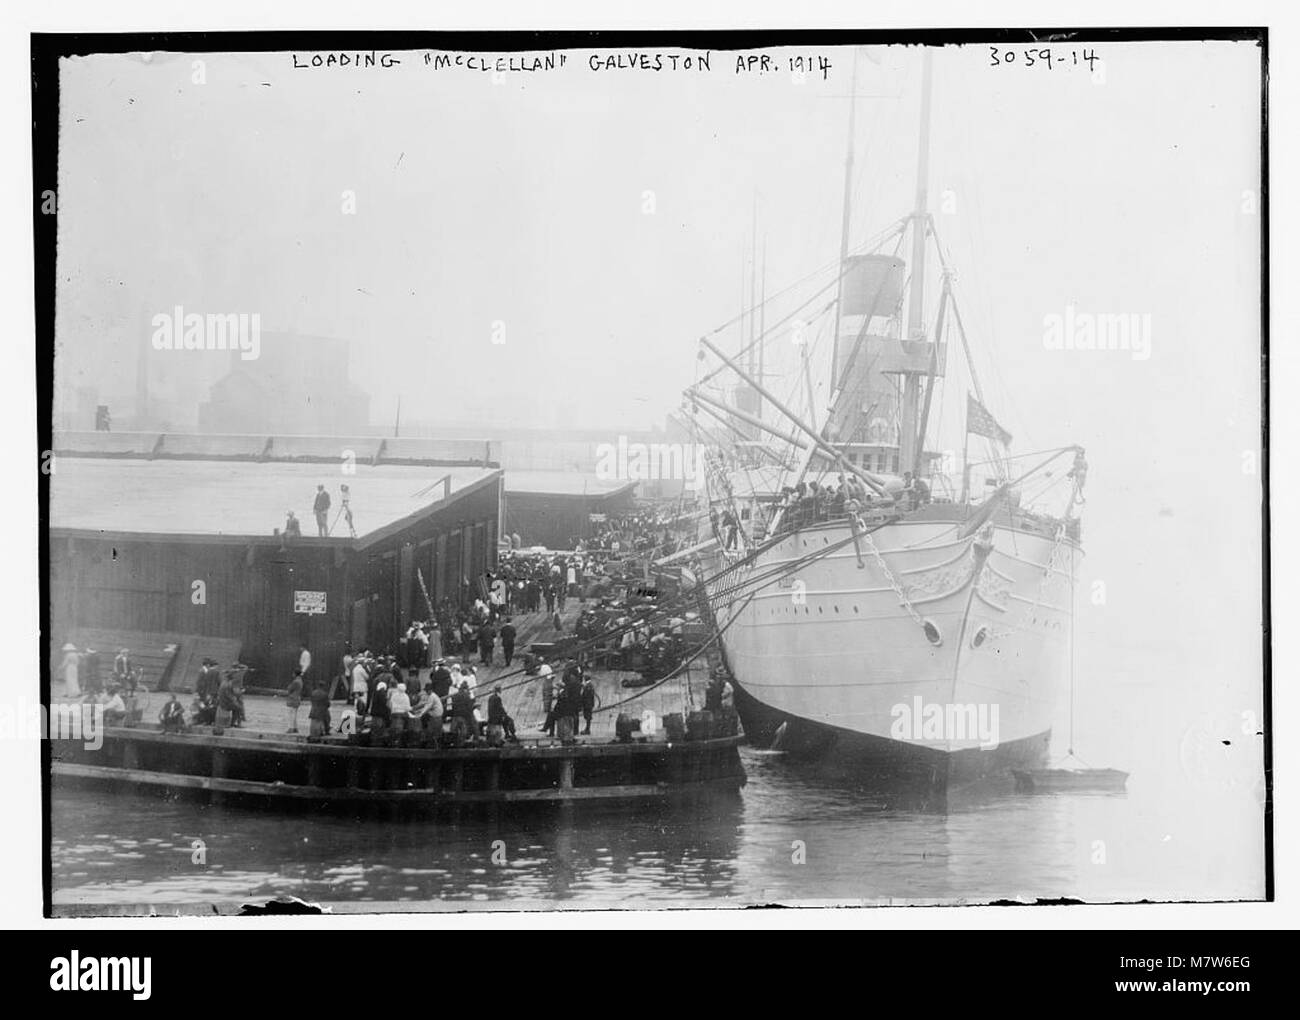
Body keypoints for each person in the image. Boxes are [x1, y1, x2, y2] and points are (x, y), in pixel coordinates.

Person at [538, 661, 555, 735]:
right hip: (549, 679)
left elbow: (541, 674)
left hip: (547, 680)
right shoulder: (547, 666)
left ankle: (546, 708)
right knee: (548, 694)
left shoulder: (543, 667)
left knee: (546, 695)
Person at [285, 668, 304, 734]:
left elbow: (289, 689)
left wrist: (288, 687)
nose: (292, 674)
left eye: (293, 673)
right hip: (297, 699)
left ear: (295, 674)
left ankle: (291, 728)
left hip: (292, 699)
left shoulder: (295, 682)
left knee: (291, 714)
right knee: (294, 715)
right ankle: (295, 728)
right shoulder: (300, 681)